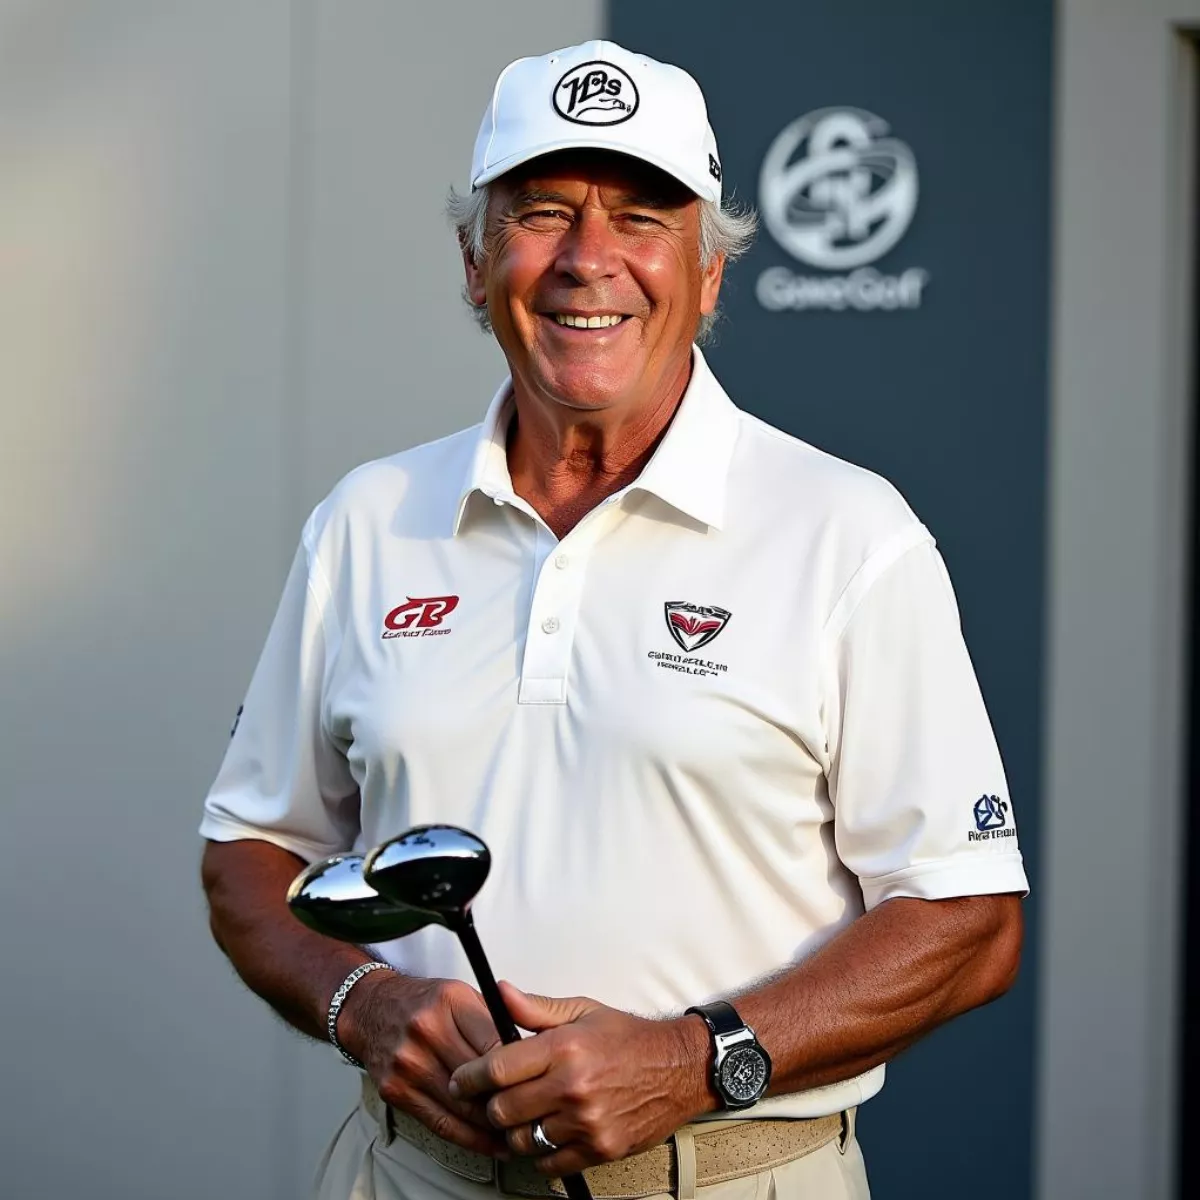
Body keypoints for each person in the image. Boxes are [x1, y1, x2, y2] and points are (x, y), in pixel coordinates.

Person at [200, 39, 1027, 1200]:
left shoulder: (847, 530)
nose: (591, 261)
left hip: (729, 1177)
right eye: (543, 213)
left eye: (643, 218)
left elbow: (970, 917)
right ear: (474, 260)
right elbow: (250, 849)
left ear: (709, 274)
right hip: (410, 1173)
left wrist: (700, 1059)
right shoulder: (369, 519)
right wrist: (365, 1002)